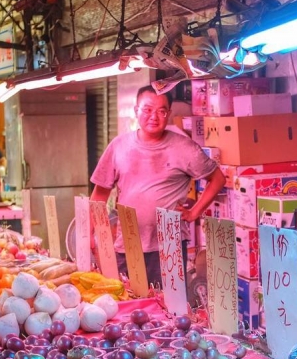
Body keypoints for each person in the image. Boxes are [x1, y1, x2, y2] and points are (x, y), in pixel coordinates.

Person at [90, 85, 226, 287]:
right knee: (127, 304)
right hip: (127, 244)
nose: (154, 116)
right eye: (147, 110)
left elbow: (218, 179)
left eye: (161, 111)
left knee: (169, 310)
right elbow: (99, 195)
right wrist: (91, 235)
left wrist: (195, 212)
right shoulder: (119, 146)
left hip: (169, 245)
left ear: (169, 114)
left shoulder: (184, 147)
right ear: (136, 110)